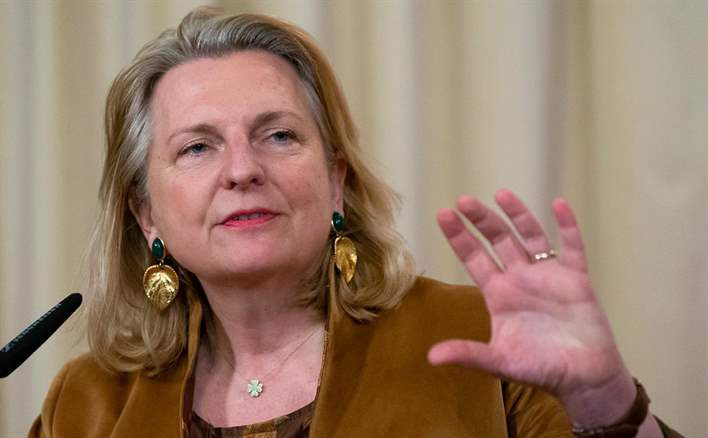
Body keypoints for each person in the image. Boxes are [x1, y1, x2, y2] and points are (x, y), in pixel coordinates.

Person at [29, 7, 680, 438]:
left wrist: (604, 403)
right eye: (197, 147)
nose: (243, 169)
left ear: (336, 181)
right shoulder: (87, 401)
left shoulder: (479, 338)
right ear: (146, 213)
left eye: (279, 135)